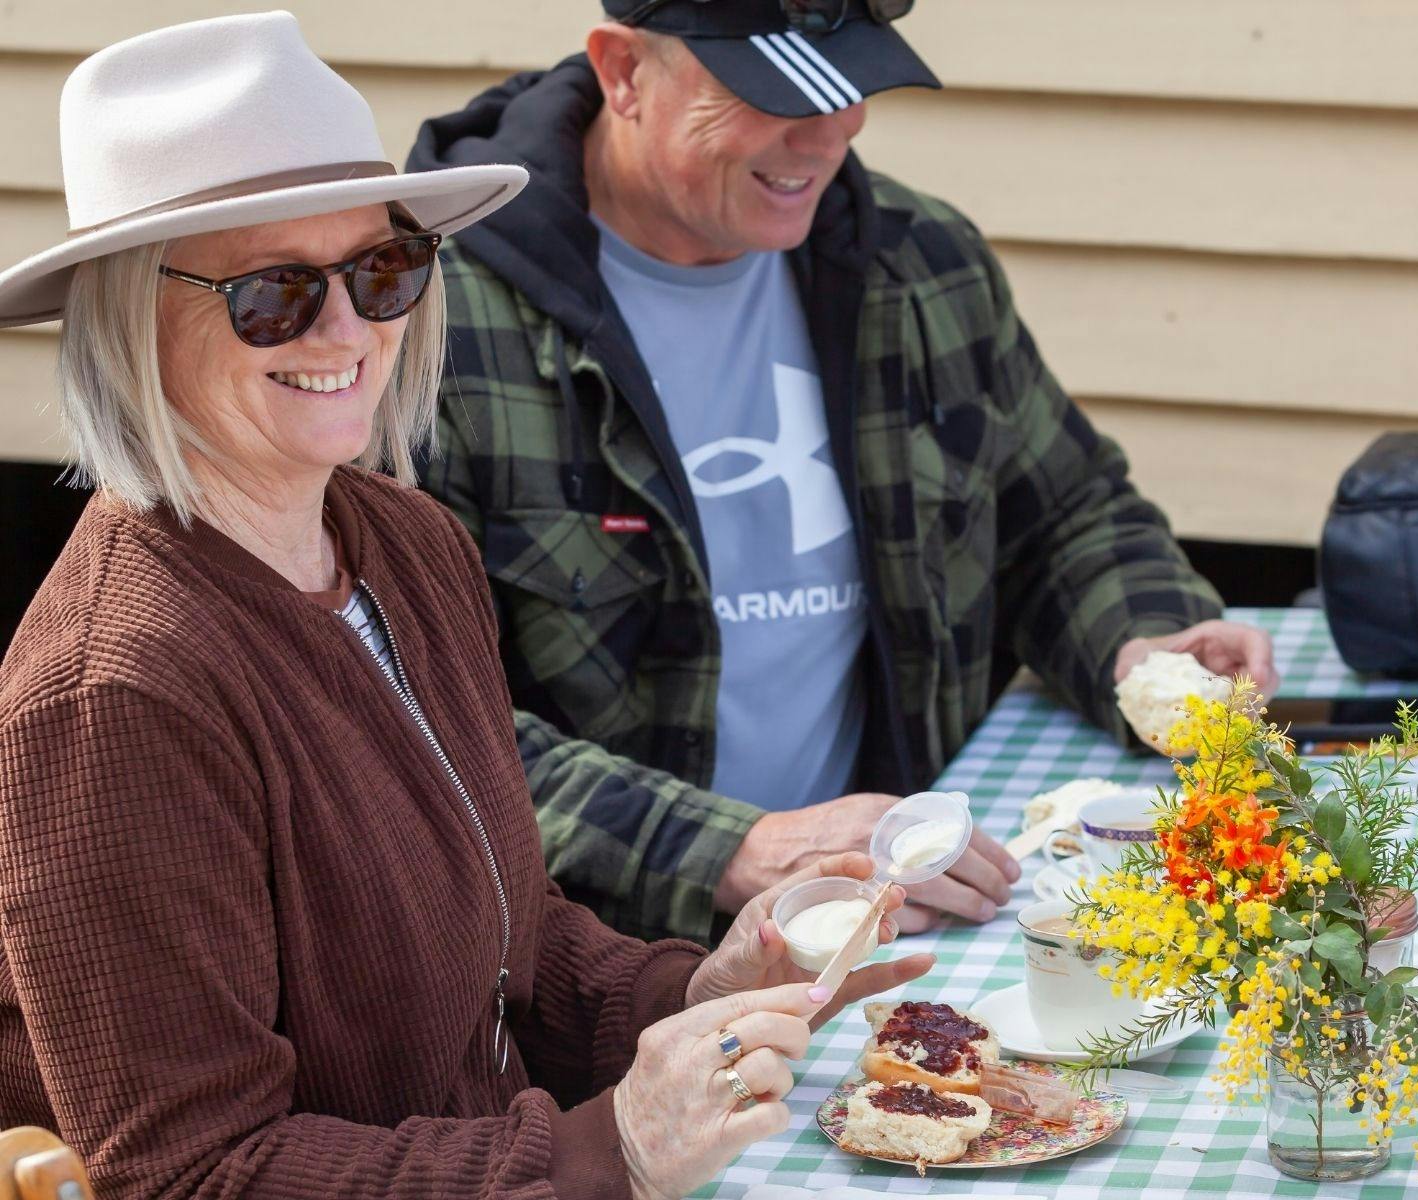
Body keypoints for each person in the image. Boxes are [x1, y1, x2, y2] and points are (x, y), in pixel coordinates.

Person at [0, 15, 929, 1200]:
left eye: (383, 269)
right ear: (133, 318)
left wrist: (692, 989)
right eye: (273, 292)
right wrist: (608, 1150)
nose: (348, 330)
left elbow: (502, 936)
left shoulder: (401, 541)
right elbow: (194, 1175)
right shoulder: (116, 695)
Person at [407, 0, 1281, 948]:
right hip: (599, 968)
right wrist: (736, 850)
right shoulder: (420, 323)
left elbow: (1065, 514)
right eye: (775, 93)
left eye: (852, 83)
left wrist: (1142, 641)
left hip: (907, 920)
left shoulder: (919, 261)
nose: (830, 134)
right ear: (625, 73)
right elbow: (407, 728)